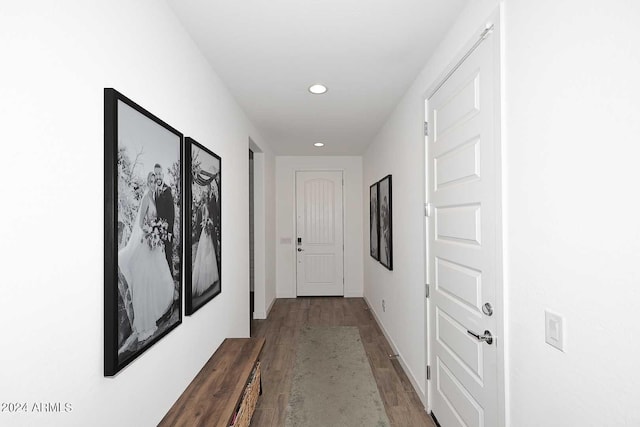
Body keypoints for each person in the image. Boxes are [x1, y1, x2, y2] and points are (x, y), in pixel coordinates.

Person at [118, 172, 175, 341]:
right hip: (147, 242)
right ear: (147, 182)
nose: (152, 183)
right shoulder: (145, 198)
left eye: (154, 181)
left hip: (154, 242)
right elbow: (141, 223)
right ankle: (148, 315)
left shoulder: (154, 196)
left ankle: (162, 307)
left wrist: (157, 230)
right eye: (150, 180)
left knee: (162, 277)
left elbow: (154, 219)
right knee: (148, 278)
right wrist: (151, 232)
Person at [192, 188, 219, 296]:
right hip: (205, 231)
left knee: (209, 253)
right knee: (205, 253)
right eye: (205, 196)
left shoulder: (206, 206)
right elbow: (203, 219)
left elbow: (207, 218)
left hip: (207, 229)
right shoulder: (203, 207)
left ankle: (210, 277)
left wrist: (209, 222)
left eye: (206, 196)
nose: (206, 198)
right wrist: (207, 223)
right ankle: (205, 280)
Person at [154, 163, 175, 276]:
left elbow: (172, 213)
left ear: (162, 175)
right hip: (157, 231)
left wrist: (170, 231)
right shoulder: (154, 192)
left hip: (167, 231)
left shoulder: (167, 190)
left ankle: (171, 282)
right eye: (155, 174)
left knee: (168, 256)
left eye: (159, 174)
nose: (158, 176)